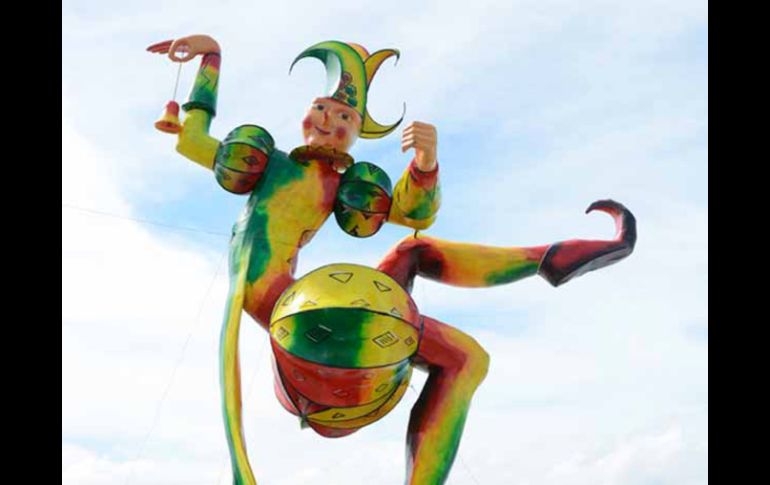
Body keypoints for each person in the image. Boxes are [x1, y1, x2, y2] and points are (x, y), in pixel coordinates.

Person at [148, 34, 636, 485]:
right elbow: (192, 141)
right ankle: (548, 260)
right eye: (322, 107)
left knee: (419, 264)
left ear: (356, 134)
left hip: (311, 305)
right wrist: (210, 59)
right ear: (305, 113)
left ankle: (550, 259)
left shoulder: (346, 186)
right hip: (289, 307)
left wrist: (425, 162)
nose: (329, 120)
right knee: (464, 356)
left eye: (345, 118)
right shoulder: (269, 164)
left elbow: (413, 213)